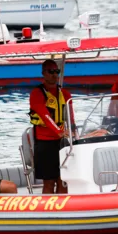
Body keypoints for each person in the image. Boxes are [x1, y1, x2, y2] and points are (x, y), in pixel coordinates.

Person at [28, 59, 74, 194]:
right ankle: (48, 212)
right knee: (49, 182)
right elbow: (44, 115)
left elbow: (71, 118)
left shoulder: (65, 94)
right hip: (44, 143)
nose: (54, 75)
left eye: (57, 72)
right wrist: (58, 131)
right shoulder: (36, 94)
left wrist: (74, 132)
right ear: (43, 73)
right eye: (50, 71)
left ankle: (64, 211)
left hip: (61, 143)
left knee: (63, 180)